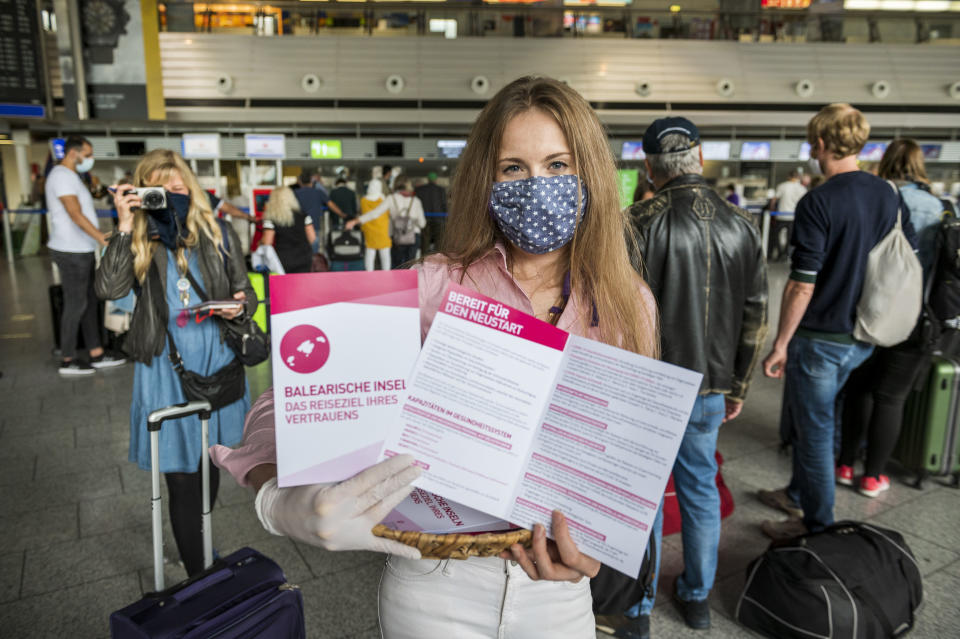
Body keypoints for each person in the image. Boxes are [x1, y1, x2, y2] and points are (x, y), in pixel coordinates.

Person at [210, 75, 659, 638]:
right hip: (435, 583)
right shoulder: (434, 286)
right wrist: (281, 499)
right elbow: (287, 397)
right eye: (513, 168)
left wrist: (597, 549)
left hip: (558, 595)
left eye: (558, 165)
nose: (536, 184)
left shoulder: (627, 302)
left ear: (590, 173)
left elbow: (623, 457)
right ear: (487, 180)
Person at [607, 117, 767, 637]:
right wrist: (738, 386)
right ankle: (696, 600)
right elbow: (754, 316)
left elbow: (618, 315)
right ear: (700, 158)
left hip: (649, 389)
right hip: (712, 388)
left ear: (650, 167)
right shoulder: (742, 224)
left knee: (646, 497)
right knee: (699, 488)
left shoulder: (637, 221)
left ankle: (637, 608)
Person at [758, 104, 917, 540]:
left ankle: (816, 527)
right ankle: (797, 493)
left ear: (821, 144)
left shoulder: (819, 201)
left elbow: (801, 285)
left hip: (821, 338)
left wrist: (780, 343)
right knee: (827, 417)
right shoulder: (887, 193)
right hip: (863, 334)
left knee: (814, 432)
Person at [96, 149, 255, 577]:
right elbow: (110, 289)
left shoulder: (217, 231)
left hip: (218, 360)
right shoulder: (139, 238)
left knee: (209, 465)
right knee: (182, 477)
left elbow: (247, 293)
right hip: (166, 369)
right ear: (144, 193)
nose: (172, 195)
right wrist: (125, 224)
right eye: (161, 189)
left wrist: (238, 309)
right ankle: (198, 577)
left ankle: (199, 545)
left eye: (179, 187)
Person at [837, 139, 948, 497]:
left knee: (859, 388)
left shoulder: (876, 199)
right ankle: (873, 477)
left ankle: (843, 463)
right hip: (918, 318)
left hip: (869, 311)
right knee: (891, 397)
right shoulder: (939, 207)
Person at [45, 135, 126, 376]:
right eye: (87, 154)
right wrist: (101, 237)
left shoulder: (72, 177)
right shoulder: (61, 176)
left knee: (90, 302)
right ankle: (68, 358)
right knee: (76, 303)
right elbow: (74, 213)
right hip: (71, 251)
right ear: (74, 153)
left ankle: (96, 353)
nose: (90, 159)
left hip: (81, 249)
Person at [347, 177, 425, 268]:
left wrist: (355, 221)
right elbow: (422, 223)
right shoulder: (416, 201)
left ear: (395, 185)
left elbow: (375, 213)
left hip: (397, 237)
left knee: (397, 266)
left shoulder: (391, 199)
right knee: (411, 266)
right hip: (413, 237)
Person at [260, 186, 316, 274]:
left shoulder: (271, 219)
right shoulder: (304, 216)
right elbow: (312, 238)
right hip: (304, 256)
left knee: (285, 286)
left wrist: (260, 242)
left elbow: (267, 242)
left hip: (283, 258)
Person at [351, 178, 392, 271]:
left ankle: (369, 274)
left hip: (369, 230)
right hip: (383, 230)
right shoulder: (384, 199)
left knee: (370, 252)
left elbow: (362, 213)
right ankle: (387, 274)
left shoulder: (364, 200)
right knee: (385, 255)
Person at [414, 171, 448, 254]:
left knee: (425, 241)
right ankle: (438, 260)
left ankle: (423, 260)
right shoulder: (441, 190)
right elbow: (444, 204)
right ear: (435, 179)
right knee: (439, 242)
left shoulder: (420, 189)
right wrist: (446, 217)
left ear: (428, 179)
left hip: (425, 218)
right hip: (439, 219)